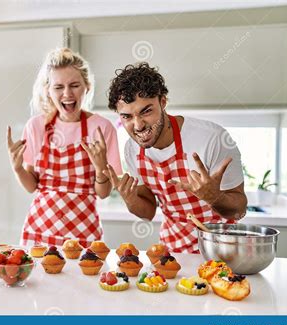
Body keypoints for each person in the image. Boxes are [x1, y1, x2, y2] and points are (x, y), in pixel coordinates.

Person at [104, 63, 247, 253]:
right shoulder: (132, 150)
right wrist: (130, 200)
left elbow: (239, 211)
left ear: (163, 102)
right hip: (172, 253)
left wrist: (215, 197)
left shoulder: (212, 139)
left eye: (146, 111)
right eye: (127, 117)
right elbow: (148, 211)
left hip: (221, 251)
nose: (138, 126)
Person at [7, 48, 122, 247]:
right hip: (39, 233)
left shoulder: (101, 128)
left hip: (84, 235)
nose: (67, 94)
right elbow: (32, 186)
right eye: (58, 87)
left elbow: (103, 193)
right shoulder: (36, 127)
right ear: (48, 91)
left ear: (87, 86)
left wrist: (101, 168)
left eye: (74, 85)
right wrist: (17, 168)